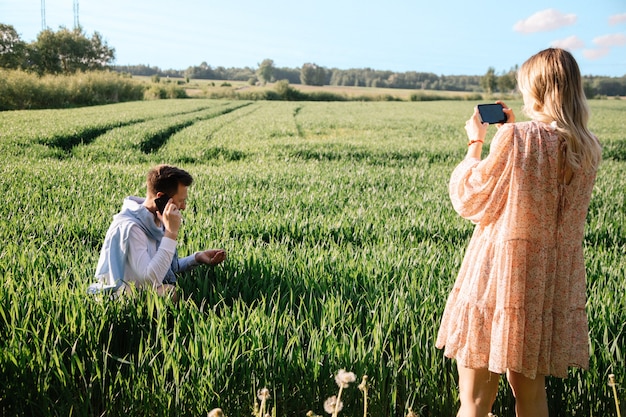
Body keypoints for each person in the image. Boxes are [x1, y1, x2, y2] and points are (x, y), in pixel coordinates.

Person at [435, 48, 602, 417]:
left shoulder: (518, 138)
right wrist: (509, 133)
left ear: (538, 89)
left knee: (476, 400)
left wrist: (476, 142)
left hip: (497, 279)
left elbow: (470, 196)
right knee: (531, 395)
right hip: (543, 287)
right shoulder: (588, 148)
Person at [88, 164, 226, 301]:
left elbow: (166, 267)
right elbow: (150, 279)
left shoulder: (158, 220)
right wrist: (171, 233)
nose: (183, 206)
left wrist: (197, 257)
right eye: (181, 201)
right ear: (161, 197)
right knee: (169, 292)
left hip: (139, 288)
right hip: (121, 294)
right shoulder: (132, 229)